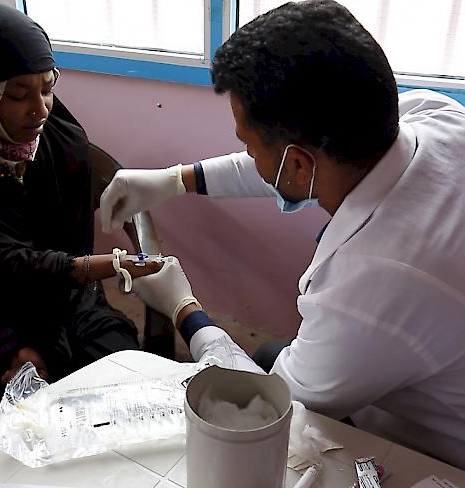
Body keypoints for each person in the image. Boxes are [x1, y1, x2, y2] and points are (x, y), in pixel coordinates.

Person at [101, 0, 465, 468]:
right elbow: (294, 164)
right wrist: (176, 179)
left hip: (435, 452)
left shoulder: (370, 288)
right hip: (413, 364)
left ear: (296, 163)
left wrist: (183, 308)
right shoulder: (433, 118)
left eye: (248, 146)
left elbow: (266, 410)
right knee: (271, 352)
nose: (248, 157)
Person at [0, 3, 159, 418]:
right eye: (18, 94)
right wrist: (17, 346)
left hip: (67, 303)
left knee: (125, 384)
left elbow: (74, 258)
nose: (40, 109)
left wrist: (49, 337)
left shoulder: (61, 142)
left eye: (48, 86)